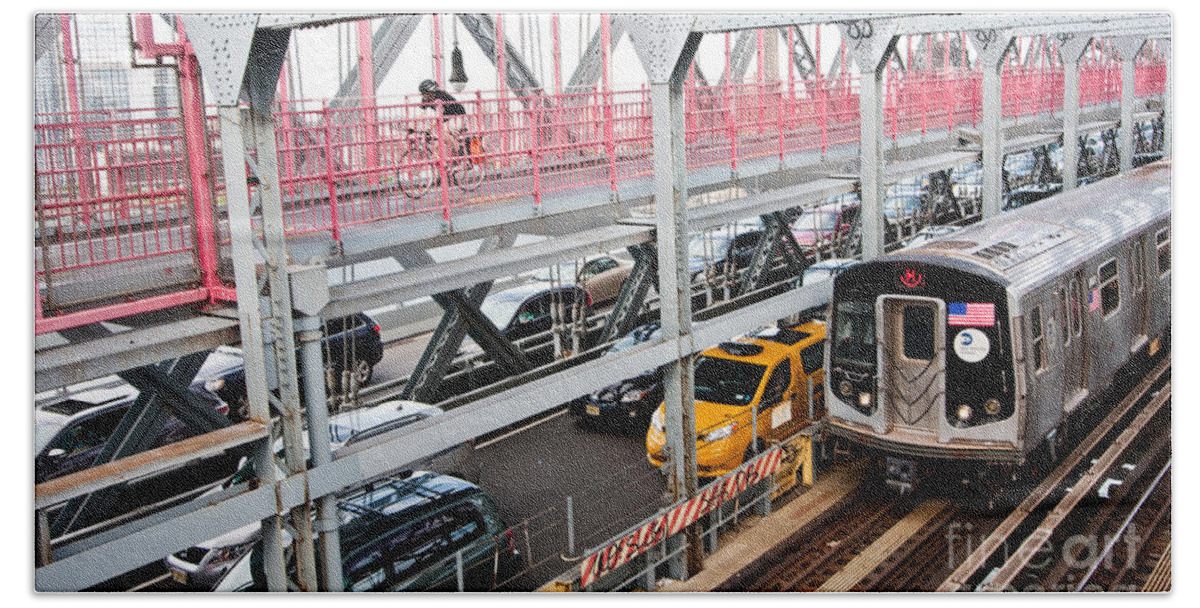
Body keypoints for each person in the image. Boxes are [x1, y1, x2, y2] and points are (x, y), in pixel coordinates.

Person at [418, 79, 468, 152]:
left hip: (458, 117)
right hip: (446, 119)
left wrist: (428, 129)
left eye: (423, 93)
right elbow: (420, 114)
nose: (422, 95)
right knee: (436, 145)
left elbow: (437, 117)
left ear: (430, 92)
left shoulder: (441, 97)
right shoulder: (425, 99)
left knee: (443, 133)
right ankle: (442, 162)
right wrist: (411, 128)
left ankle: (459, 152)